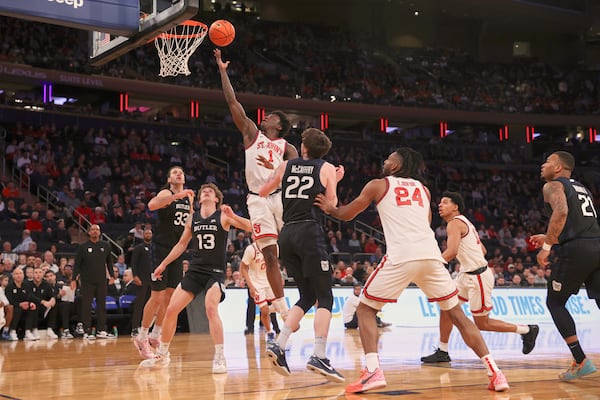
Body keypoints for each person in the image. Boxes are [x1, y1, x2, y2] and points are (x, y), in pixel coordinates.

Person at [315, 147, 509, 393]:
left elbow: (348, 213)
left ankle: (373, 371)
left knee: (365, 309)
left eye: (389, 159)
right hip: (430, 255)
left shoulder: (378, 185)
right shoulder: (424, 190)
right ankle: (496, 373)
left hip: (402, 255)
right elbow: (425, 222)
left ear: (396, 166)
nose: (385, 160)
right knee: (458, 316)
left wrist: (330, 209)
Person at [215, 48, 299, 321]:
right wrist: (222, 71)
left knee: (296, 247)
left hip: (282, 198)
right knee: (271, 256)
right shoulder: (252, 134)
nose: (264, 118)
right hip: (259, 199)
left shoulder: (287, 147)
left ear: (278, 125)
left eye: (270, 117)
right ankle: (283, 308)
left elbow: (300, 173)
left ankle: (311, 286)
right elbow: (232, 102)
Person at [259, 128, 345, 383]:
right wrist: (335, 180)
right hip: (309, 230)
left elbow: (264, 191)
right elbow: (331, 206)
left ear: (304, 148)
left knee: (306, 296)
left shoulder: (287, 165)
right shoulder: (326, 168)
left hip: (286, 233)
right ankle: (319, 355)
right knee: (325, 297)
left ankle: (280, 344)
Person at [139, 183, 252, 373]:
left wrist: (234, 216)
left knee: (210, 308)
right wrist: (163, 264)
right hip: (195, 270)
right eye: (203, 192)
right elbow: (181, 245)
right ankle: (163, 354)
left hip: (215, 271)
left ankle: (219, 357)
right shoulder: (193, 218)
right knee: (171, 310)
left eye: (210, 191)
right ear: (199, 199)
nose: (206, 192)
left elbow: (251, 227)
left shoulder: (223, 215)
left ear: (216, 199)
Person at [421, 191, 539, 363]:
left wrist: (432, 264)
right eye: (440, 202)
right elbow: (482, 250)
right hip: (465, 275)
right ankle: (442, 350)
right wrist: (467, 258)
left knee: (482, 324)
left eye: (445, 202)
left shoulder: (454, 223)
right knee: (447, 307)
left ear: (456, 207)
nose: (440, 205)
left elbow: (452, 251)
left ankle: (527, 330)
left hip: (478, 277)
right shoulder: (465, 222)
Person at [530, 151, 600, 381]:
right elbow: (580, 228)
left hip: (578, 250)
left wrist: (547, 247)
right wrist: (549, 236)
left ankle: (580, 361)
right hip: (596, 245)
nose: (543, 165)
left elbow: (561, 212)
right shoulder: (582, 188)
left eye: (548, 161)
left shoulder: (552, 185)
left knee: (555, 302)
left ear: (558, 167)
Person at [134, 166, 193, 358]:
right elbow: (151, 206)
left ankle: (155, 335)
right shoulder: (167, 192)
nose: (178, 174)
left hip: (176, 251)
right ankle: (141, 336)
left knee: (169, 298)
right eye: (174, 172)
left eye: (181, 172)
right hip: (161, 248)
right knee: (157, 296)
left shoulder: (188, 197)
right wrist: (177, 195)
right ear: (169, 179)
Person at [71, 224, 115, 340]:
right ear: (89, 232)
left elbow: (109, 262)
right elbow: (77, 265)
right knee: (86, 306)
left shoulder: (105, 246)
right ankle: (87, 331)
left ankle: (101, 330)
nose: (95, 232)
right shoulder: (83, 247)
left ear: (99, 232)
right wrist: (74, 279)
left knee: (101, 306)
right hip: (87, 281)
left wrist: (112, 276)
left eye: (97, 230)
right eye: (93, 230)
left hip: (101, 281)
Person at [239, 241, 278, 344]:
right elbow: (243, 266)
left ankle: (277, 328)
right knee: (256, 308)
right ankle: (257, 329)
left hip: (269, 282)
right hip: (255, 283)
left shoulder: (272, 246)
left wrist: (279, 277)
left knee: (276, 307)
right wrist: (243, 280)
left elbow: (274, 264)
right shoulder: (251, 249)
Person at [130, 228, 154, 338]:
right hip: (141, 279)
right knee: (139, 304)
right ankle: (135, 328)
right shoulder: (138, 248)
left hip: (153, 280)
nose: (148, 234)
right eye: (146, 233)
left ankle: (146, 327)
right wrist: (135, 276)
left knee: (150, 305)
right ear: (143, 235)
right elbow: (133, 263)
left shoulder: (155, 248)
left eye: (150, 233)